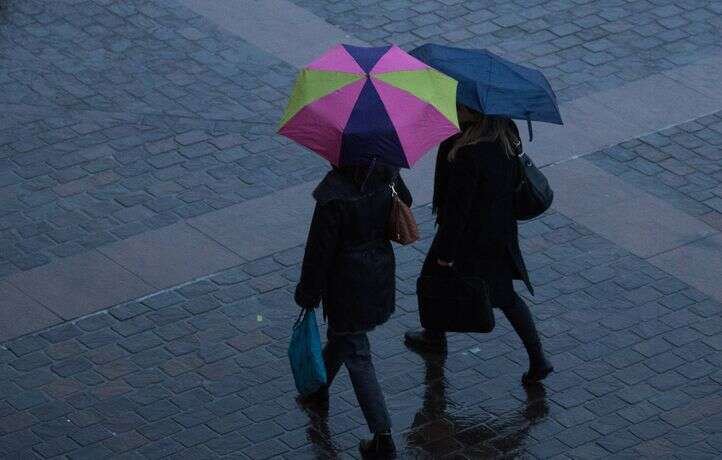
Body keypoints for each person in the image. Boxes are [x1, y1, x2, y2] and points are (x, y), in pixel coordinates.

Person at [404, 105, 554, 385]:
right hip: (499, 232)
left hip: (471, 240)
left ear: (473, 113)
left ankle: (436, 338)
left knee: (435, 278)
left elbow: (458, 212)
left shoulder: (467, 153)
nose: (452, 109)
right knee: (505, 296)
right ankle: (537, 359)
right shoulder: (505, 131)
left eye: (458, 107)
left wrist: (446, 254)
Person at [294, 161, 412, 458]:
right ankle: (319, 388)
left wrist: (308, 293)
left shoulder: (334, 193)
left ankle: (382, 435)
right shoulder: (388, 173)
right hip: (378, 271)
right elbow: (405, 203)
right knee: (344, 336)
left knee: (356, 350)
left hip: (346, 281)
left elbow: (319, 250)